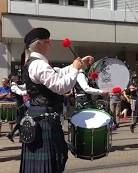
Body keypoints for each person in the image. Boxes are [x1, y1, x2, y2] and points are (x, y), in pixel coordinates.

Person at [19, 27, 92, 173]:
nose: (50, 44)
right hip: (44, 119)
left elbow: (59, 72)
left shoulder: (35, 63)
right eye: (47, 41)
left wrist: (78, 64)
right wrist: (75, 69)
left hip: (39, 117)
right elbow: (60, 86)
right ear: (38, 44)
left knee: (47, 162)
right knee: (56, 159)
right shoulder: (39, 64)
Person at [6, 72, 27, 142]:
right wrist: (30, 91)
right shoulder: (13, 86)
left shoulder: (17, 85)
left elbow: (24, 87)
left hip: (21, 104)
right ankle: (14, 135)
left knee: (21, 121)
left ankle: (13, 134)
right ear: (13, 78)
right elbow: (21, 93)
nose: (17, 76)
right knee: (21, 121)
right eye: (16, 76)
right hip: (19, 105)